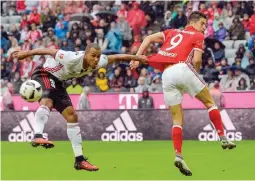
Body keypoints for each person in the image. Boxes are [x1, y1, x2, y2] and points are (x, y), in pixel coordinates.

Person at [130, 11, 236, 176]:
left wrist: (137, 58)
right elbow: (197, 60)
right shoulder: (198, 35)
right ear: (194, 22)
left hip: (166, 74)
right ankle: (222, 138)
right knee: (209, 103)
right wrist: (195, 75)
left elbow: (148, 38)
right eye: (203, 24)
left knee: (177, 120)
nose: (204, 28)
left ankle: (178, 155)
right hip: (183, 68)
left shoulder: (172, 32)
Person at [11, 44, 147, 171]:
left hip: (59, 82)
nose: (96, 59)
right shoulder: (71, 58)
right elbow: (49, 51)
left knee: (72, 116)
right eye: (93, 56)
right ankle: (37, 135)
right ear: (85, 54)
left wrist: (137, 58)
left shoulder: (98, 62)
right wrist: (25, 54)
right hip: (45, 74)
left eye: (98, 57)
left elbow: (117, 57)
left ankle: (79, 160)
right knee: (47, 102)